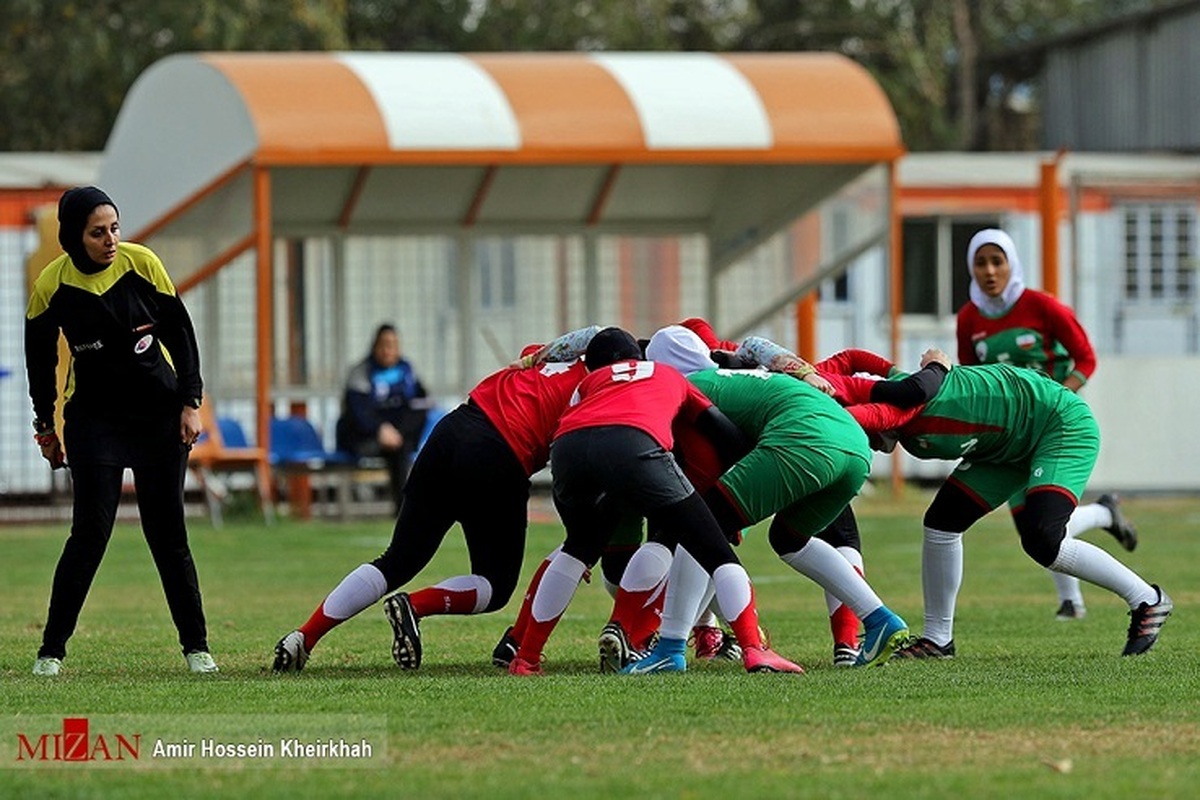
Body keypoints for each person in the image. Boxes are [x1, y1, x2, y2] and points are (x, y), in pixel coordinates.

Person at [272, 326, 600, 672]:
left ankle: (303, 637)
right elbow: (572, 461)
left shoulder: (551, 357)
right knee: (495, 586)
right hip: (500, 455)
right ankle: (415, 606)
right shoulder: (597, 390)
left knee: (398, 559)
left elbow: (580, 338)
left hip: (453, 429)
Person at [614, 326, 913, 674]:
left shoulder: (686, 387)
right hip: (855, 447)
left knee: (700, 526)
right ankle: (880, 619)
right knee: (789, 539)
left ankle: (670, 648)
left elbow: (702, 472)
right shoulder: (738, 374)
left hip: (804, 438)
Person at [508, 327, 804, 676]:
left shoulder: (587, 383)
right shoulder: (668, 375)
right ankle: (754, 649)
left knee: (577, 549)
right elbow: (721, 429)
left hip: (569, 449)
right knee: (716, 551)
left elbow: (576, 423)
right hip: (634, 443)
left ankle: (525, 659)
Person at [840, 361, 1171, 659]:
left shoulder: (919, 404)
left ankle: (1146, 599)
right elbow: (874, 368)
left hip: (1056, 424)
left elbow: (901, 389)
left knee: (1043, 538)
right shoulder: (910, 411)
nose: (866, 442)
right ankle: (938, 639)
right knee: (943, 521)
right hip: (1004, 447)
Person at [24, 186, 217, 676]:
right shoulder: (52, 286)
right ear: (72, 237)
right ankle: (51, 652)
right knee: (89, 533)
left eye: (114, 228)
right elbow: (39, 363)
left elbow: (181, 335)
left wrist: (190, 403)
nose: (110, 240)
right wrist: (46, 426)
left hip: (158, 416)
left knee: (168, 533)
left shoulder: (141, 264)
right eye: (97, 232)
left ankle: (197, 649)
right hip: (94, 421)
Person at [957, 228, 1138, 621]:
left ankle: (1080, 600)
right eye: (980, 262)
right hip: (1008, 436)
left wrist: (1061, 399)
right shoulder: (969, 318)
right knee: (1034, 529)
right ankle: (1104, 517)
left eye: (997, 261)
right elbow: (970, 381)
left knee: (1045, 522)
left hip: (1053, 429)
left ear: (1012, 264)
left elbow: (1085, 358)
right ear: (971, 268)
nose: (989, 271)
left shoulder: (1042, 306)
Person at [335, 324, 429, 514]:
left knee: (401, 450)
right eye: (384, 345)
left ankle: (404, 511)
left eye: (393, 345)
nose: (388, 350)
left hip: (398, 439)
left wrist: (398, 433)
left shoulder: (407, 373)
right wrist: (380, 429)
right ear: (375, 346)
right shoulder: (361, 373)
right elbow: (357, 411)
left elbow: (420, 407)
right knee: (394, 448)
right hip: (363, 438)